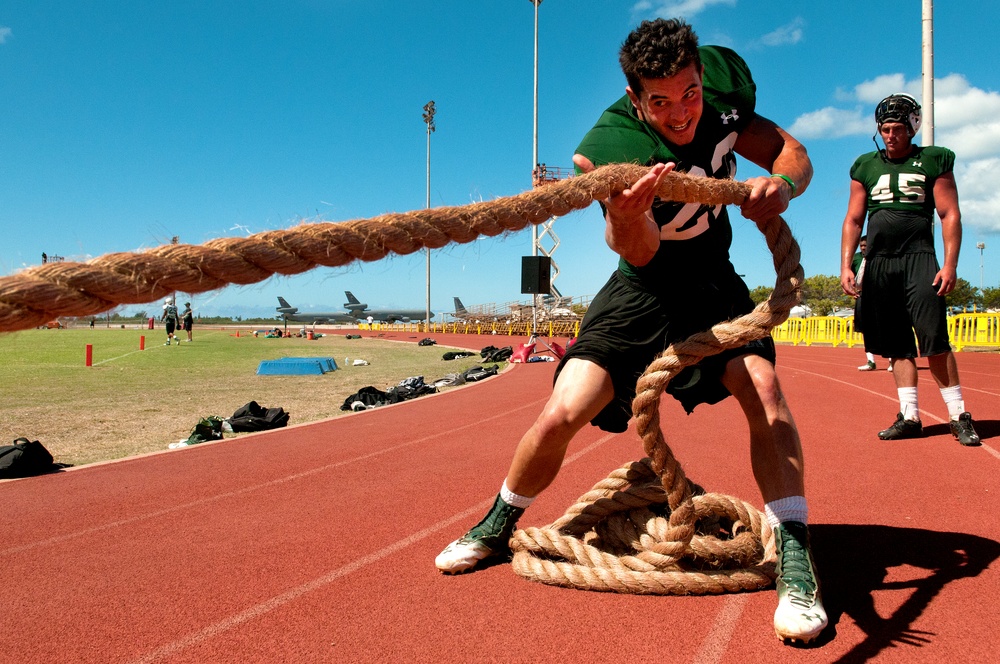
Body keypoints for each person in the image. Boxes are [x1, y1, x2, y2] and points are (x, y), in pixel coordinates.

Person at [435, 19, 827, 643]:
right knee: (564, 410)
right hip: (642, 288)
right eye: (661, 102)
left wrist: (781, 185)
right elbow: (638, 252)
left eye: (689, 93)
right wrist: (626, 215)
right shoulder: (610, 145)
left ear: (702, 74)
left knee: (768, 395)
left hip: (714, 283)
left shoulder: (724, 80)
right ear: (634, 95)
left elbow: (792, 153)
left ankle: (799, 558)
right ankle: (498, 521)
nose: (681, 114)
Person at [840, 93, 980, 446]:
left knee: (934, 338)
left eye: (897, 129)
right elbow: (854, 219)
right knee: (896, 344)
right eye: (885, 129)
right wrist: (845, 265)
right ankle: (910, 415)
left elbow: (949, 213)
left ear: (911, 128)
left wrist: (950, 264)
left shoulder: (933, 160)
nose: (890, 135)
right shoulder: (865, 166)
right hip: (881, 262)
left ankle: (958, 414)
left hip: (919, 256)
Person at [852, 239, 878, 371]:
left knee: (883, 327)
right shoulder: (855, 258)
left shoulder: (877, 256)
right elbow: (849, 275)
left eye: (865, 246)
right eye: (861, 246)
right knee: (865, 328)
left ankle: (892, 360)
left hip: (878, 295)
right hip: (862, 295)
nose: (863, 248)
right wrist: (852, 291)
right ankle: (870, 361)